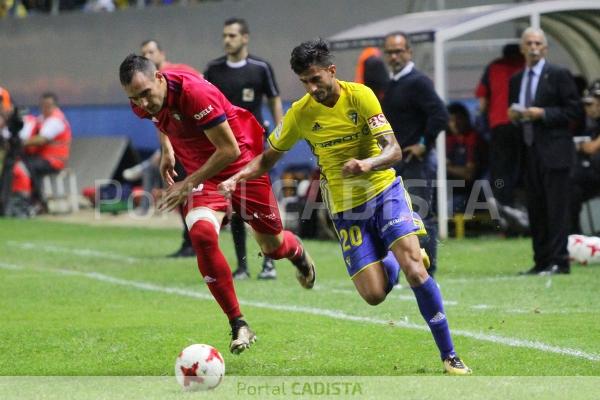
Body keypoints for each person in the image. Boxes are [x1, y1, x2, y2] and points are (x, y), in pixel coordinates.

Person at [219, 39, 471, 375]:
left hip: (384, 191)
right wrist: (237, 178)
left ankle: (449, 355)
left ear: (331, 71)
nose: (312, 87)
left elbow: (393, 151)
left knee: (416, 269)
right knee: (374, 294)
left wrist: (368, 164)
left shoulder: (361, 96)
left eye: (316, 78)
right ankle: (392, 263)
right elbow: (267, 158)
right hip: (345, 208)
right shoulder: (300, 113)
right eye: (305, 81)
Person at [118, 54, 315, 354]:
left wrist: (186, 182)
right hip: (201, 170)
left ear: (159, 78)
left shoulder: (196, 94)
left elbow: (228, 149)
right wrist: (167, 149)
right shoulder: (143, 101)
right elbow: (158, 116)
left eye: (146, 94)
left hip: (241, 162)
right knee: (201, 234)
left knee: (271, 247)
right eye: (135, 98)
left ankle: (296, 251)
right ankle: (238, 323)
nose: (142, 103)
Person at [204, 18, 283, 280]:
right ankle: (242, 265)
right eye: (225, 35)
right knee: (236, 205)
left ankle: (270, 262)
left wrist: (281, 132)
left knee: (261, 205)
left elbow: (274, 99)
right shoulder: (214, 70)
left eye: (233, 36)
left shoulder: (260, 68)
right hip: (226, 148)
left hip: (255, 146)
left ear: (245, 38)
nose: (228, 40)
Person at [508, 27, 583, 275]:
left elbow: (574, 111)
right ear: (522, 48)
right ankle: (541, 261)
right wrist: (514, 116)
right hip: (529, 152)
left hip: (555, 152)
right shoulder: (517, 79)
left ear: (545, 48)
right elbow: (516, 111)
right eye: (529, 43)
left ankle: (559, 261)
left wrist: (544, 113)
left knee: (557, 209)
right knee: (536, 209)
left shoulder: (558, 74)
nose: (533, 47)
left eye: (538, 43)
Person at [381, 32, 448, 278]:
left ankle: (427, 271)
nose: (394, 56)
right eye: (390, 52)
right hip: (396, 162)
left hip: (417, 161)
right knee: (396, 217)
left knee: (420, 215)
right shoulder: (393, 84)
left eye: (399, 51)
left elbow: (440, 115)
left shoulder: (418, 81)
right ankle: (406, 267)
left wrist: (423, 143)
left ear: (409, 52)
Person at [135, 39, 202, 257]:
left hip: (192, 144)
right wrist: (165, 148)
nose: (148, 55)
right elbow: (159, 119)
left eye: (151, 51)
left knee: (192, 191)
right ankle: (189, 240)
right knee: (179, 192)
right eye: (144, 53)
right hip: (173, 146)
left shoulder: (180, 71)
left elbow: (202, 91)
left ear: (162, 53)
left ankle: (198, 239)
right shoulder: (144, 86)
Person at [475, 44, 524, 213]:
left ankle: (504, 210)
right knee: (525, 169)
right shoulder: (526, 66)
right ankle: (524, 210)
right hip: (523, 125)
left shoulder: (494, 67)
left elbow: (482, 101)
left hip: (499, 126)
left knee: (501, 173)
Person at [21, 92, 71, 209]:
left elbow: (42, 139)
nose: (45, 108)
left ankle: (38, 200)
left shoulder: (56, 120)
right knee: (22, 162)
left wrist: (20, 142)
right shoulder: (42, 118)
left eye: (48, 106)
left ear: (54, 106)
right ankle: (27, 198)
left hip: (55, 161)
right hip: (43, 158)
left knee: (30, 166)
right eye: (43, 105)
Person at [570, 80, 600, 234]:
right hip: (590, 176)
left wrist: (581, 146)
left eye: (590, 104)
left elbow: (592, 147)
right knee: (570, 190)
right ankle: (574, 237)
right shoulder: (591, 125)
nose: (587, 108)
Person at [445, 102, 478, 213]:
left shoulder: (473, 138)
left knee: (449, 207)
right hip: (452, 189)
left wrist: (447, 168)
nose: (454, 124)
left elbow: (469, 174)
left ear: (466, 119)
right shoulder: (448, 140)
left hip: (472, 191)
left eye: (458, 119)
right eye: (451, 120)